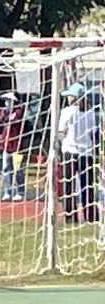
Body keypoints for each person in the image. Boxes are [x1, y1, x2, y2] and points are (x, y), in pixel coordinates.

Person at [58, 82, 98, 223]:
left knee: (68, 187)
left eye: (70, 95)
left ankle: (70, 217)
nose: (68, 98)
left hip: (69, 152)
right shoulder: (90, 112)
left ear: (74, 97)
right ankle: (90, 216)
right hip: (86, 153)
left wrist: (61, 141)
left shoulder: (66, 112)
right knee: (87, 186)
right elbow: (93, 134)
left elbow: (61, 132)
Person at [0, 92, 28, 201]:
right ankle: (7, 192)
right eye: (6, 100)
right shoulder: (5, 111)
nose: (6, 103)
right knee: (5, 169)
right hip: (6, 145)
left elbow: (9, 119)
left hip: (17, 145)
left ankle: (20, 192)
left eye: (9, 101)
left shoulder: (18, 111)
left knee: (18, 169)